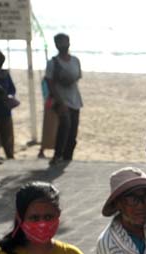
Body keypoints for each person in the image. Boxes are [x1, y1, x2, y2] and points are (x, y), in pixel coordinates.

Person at [46, 33, 82, 165]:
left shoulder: (75, 60)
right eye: (60, 42)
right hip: (60, 99)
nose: (63, 45)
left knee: (73, 131)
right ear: (56, 45)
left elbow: (78, 76)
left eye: (65, 42)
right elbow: (49, 83)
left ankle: (68, 157)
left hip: (75, 99)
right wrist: (59, 102)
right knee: (64, 126)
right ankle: (58, 155)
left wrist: (69, 80)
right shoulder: (52, 63)